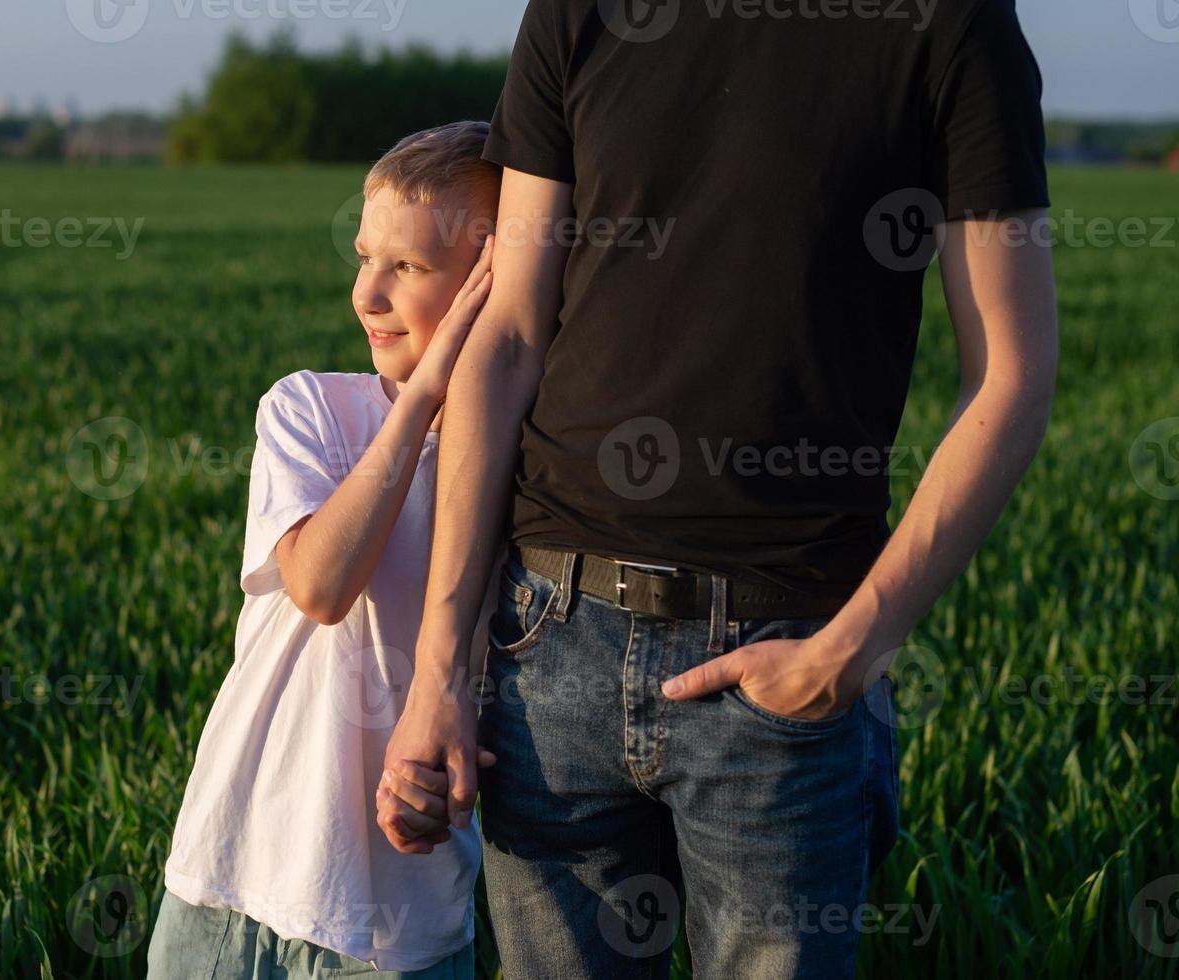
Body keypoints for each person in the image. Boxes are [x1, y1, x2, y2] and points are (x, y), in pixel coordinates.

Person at [380, 2, 1059, 978]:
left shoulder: (948, 24)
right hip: (547, 645)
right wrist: (438, 669)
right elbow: (510, 334)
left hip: (783, 660)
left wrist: (848, 648)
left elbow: (1009, 373)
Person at [148, 121, 502, 979]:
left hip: (405, 913)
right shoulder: (310, 410)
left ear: (490, 288)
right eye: (364, 257)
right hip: (234, 880)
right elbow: (320, 583)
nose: (366, 294)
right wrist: (420, 399)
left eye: (407, 268)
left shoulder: (524, 470)